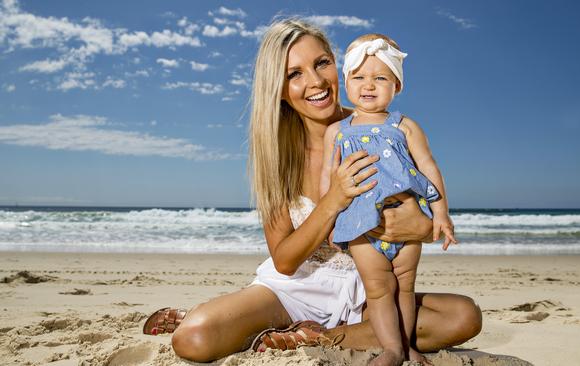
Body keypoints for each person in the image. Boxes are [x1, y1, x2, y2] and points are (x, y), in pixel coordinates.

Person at [142, 19, 482, 363]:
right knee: (194, 339)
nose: (316, 82)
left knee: (462, 317)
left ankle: (319, 336)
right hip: (294, 292)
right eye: (295, 74)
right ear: (278, 89)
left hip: (369, 291)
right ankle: (219, 317)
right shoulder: (277, 155)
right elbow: (285, 260)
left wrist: (423, 226)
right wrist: (334, 199)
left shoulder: (383, 131)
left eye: (322, 63)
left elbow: (423, 205)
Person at [319, 33, 457, 365]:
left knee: (404, 289)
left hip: (408, 221)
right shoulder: (337, 131)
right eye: (359, 77)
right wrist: (330, 223)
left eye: (381, 78)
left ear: (397, 86)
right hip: (362, 226)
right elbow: (328, 177)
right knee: (379, 291)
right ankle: (392, 349)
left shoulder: (405, 126)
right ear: (346, 82)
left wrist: (441, 214)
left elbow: (428, 167)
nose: (369, 85)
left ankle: (408, 346)